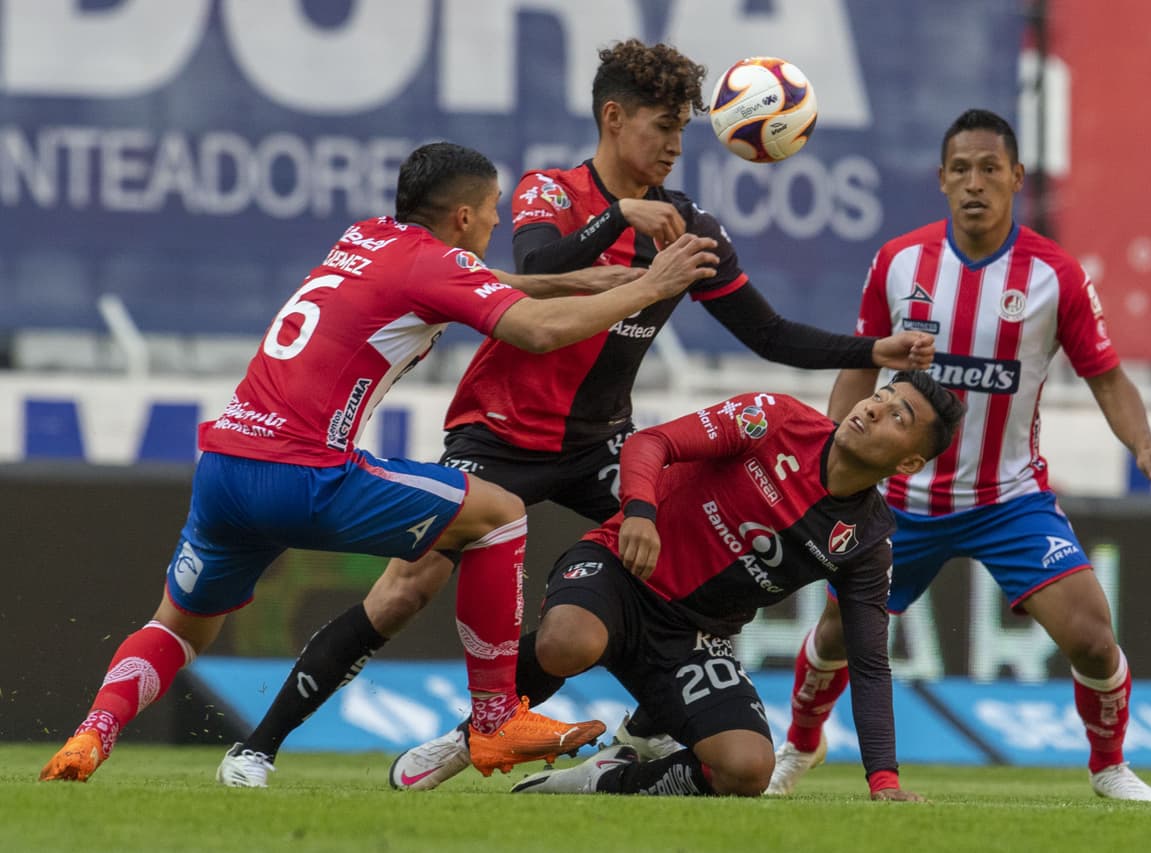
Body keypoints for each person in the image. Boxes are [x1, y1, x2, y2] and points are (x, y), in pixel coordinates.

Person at [218, 38, 933, 788]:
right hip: (496, 435)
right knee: (406, 586)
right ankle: (259, 744)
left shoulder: (692, 230)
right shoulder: (549, 192)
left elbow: (770, 334)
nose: (675, 147)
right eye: (662, 126)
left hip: (599, 444)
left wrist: (875, 347)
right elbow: (536, 271)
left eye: (685, 130)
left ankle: (642, 726)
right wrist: (620, 215)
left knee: (696, 564)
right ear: (615, 117)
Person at [38, 141, 724, 784]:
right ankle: (495, 721)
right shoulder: (435, 262)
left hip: (225, 465)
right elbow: (536, 331)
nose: (495, 223)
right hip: (306, 471)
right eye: (490, 213)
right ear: (462, 215)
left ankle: (94, 731)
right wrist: (647, 285)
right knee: (499, 516)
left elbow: (475, 279)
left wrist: (570, 278)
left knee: (176, 626)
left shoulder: (365, 237)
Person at [762, 109, 1151, 801]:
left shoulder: (1056, 276)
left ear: (1017, 178)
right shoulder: (900, 262)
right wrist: (825, 459)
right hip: (899, 500)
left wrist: (1145, 447)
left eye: (990, 168)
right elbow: (859, 365)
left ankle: (1108, 765)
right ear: (940, 179)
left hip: (1008, 498)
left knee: (1089, 635)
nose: (974, 183)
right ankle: (801, 745)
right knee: (838, 632)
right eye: (960, 169)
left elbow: (1106, 376)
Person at [441, 373, 964, 798]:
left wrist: (884, 781)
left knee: (747, 771)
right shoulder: (774, 417)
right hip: (623, 571)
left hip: (691, 637)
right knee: (567, 643)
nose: (873, 408)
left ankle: (607, 779)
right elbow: (652, 441)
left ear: (910, 462)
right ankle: (473, 735)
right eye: (881, 396)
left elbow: (869, 661)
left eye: (898, 416)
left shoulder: (868, 542)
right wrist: (639, 512)